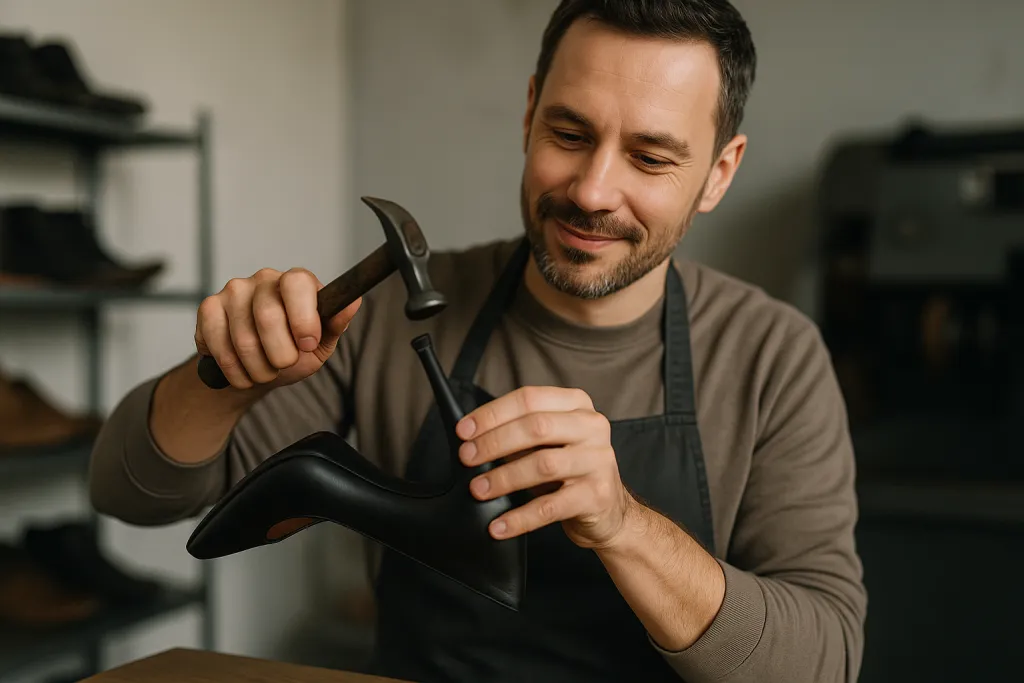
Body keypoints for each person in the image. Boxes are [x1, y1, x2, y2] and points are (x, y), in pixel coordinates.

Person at [88, 1, 867, 681]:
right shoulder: (388, 314)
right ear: (529, 112)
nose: (593, 191)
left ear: (719, 173)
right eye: (569, 132)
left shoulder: (775, 356)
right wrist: (227, 375)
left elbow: (819, 664)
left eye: (650, 157)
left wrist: (623, 524)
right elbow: (127, 494)